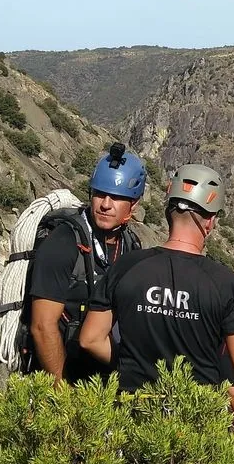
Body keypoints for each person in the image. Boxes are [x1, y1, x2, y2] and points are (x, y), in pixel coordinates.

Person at [79, 164, 234, 397]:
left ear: (169, 213)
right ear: (210, 221)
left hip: (131, 407)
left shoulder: (127, 266)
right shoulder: (224, 282)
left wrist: (129, 365)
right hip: (195, 414)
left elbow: (90, 339)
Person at [27, 142, 145, 384]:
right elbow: (42, 325)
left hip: (103, 379)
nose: (105, 204)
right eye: (100, 194)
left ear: (134, 204)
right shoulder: (63, 242)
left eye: (117, 198)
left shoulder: (131, 246)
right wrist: (60, 393)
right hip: (58, 375)